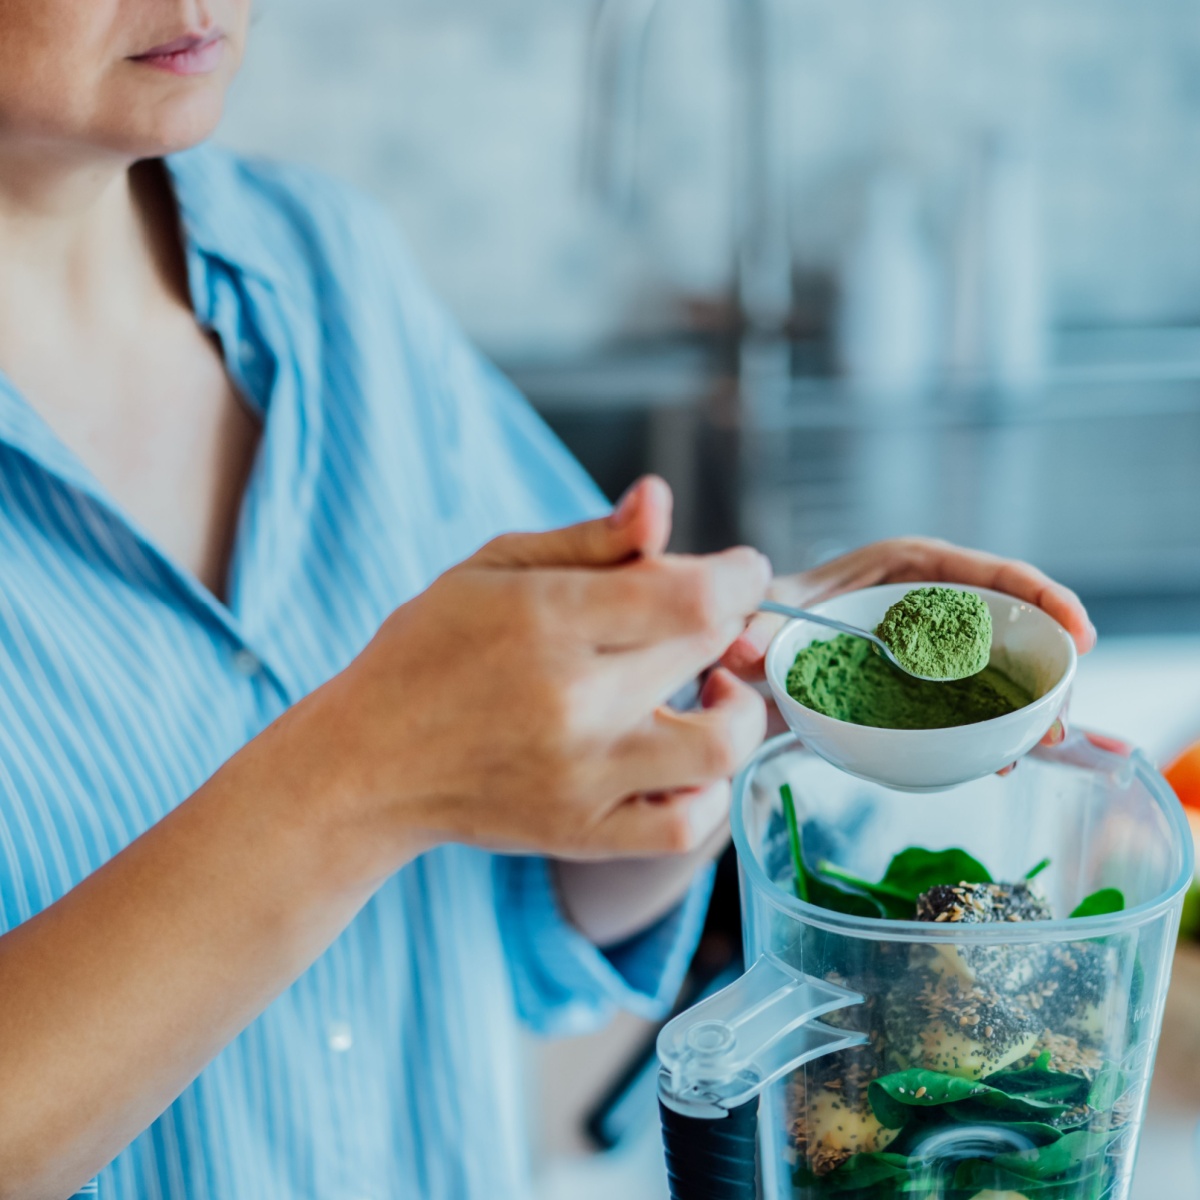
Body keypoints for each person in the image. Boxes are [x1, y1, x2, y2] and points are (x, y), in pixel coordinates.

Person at [0, 3, 1096, 1197]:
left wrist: (715, 696)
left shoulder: (326, 268)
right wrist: (354, 781)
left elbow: (522, 882)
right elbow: (394, 770)